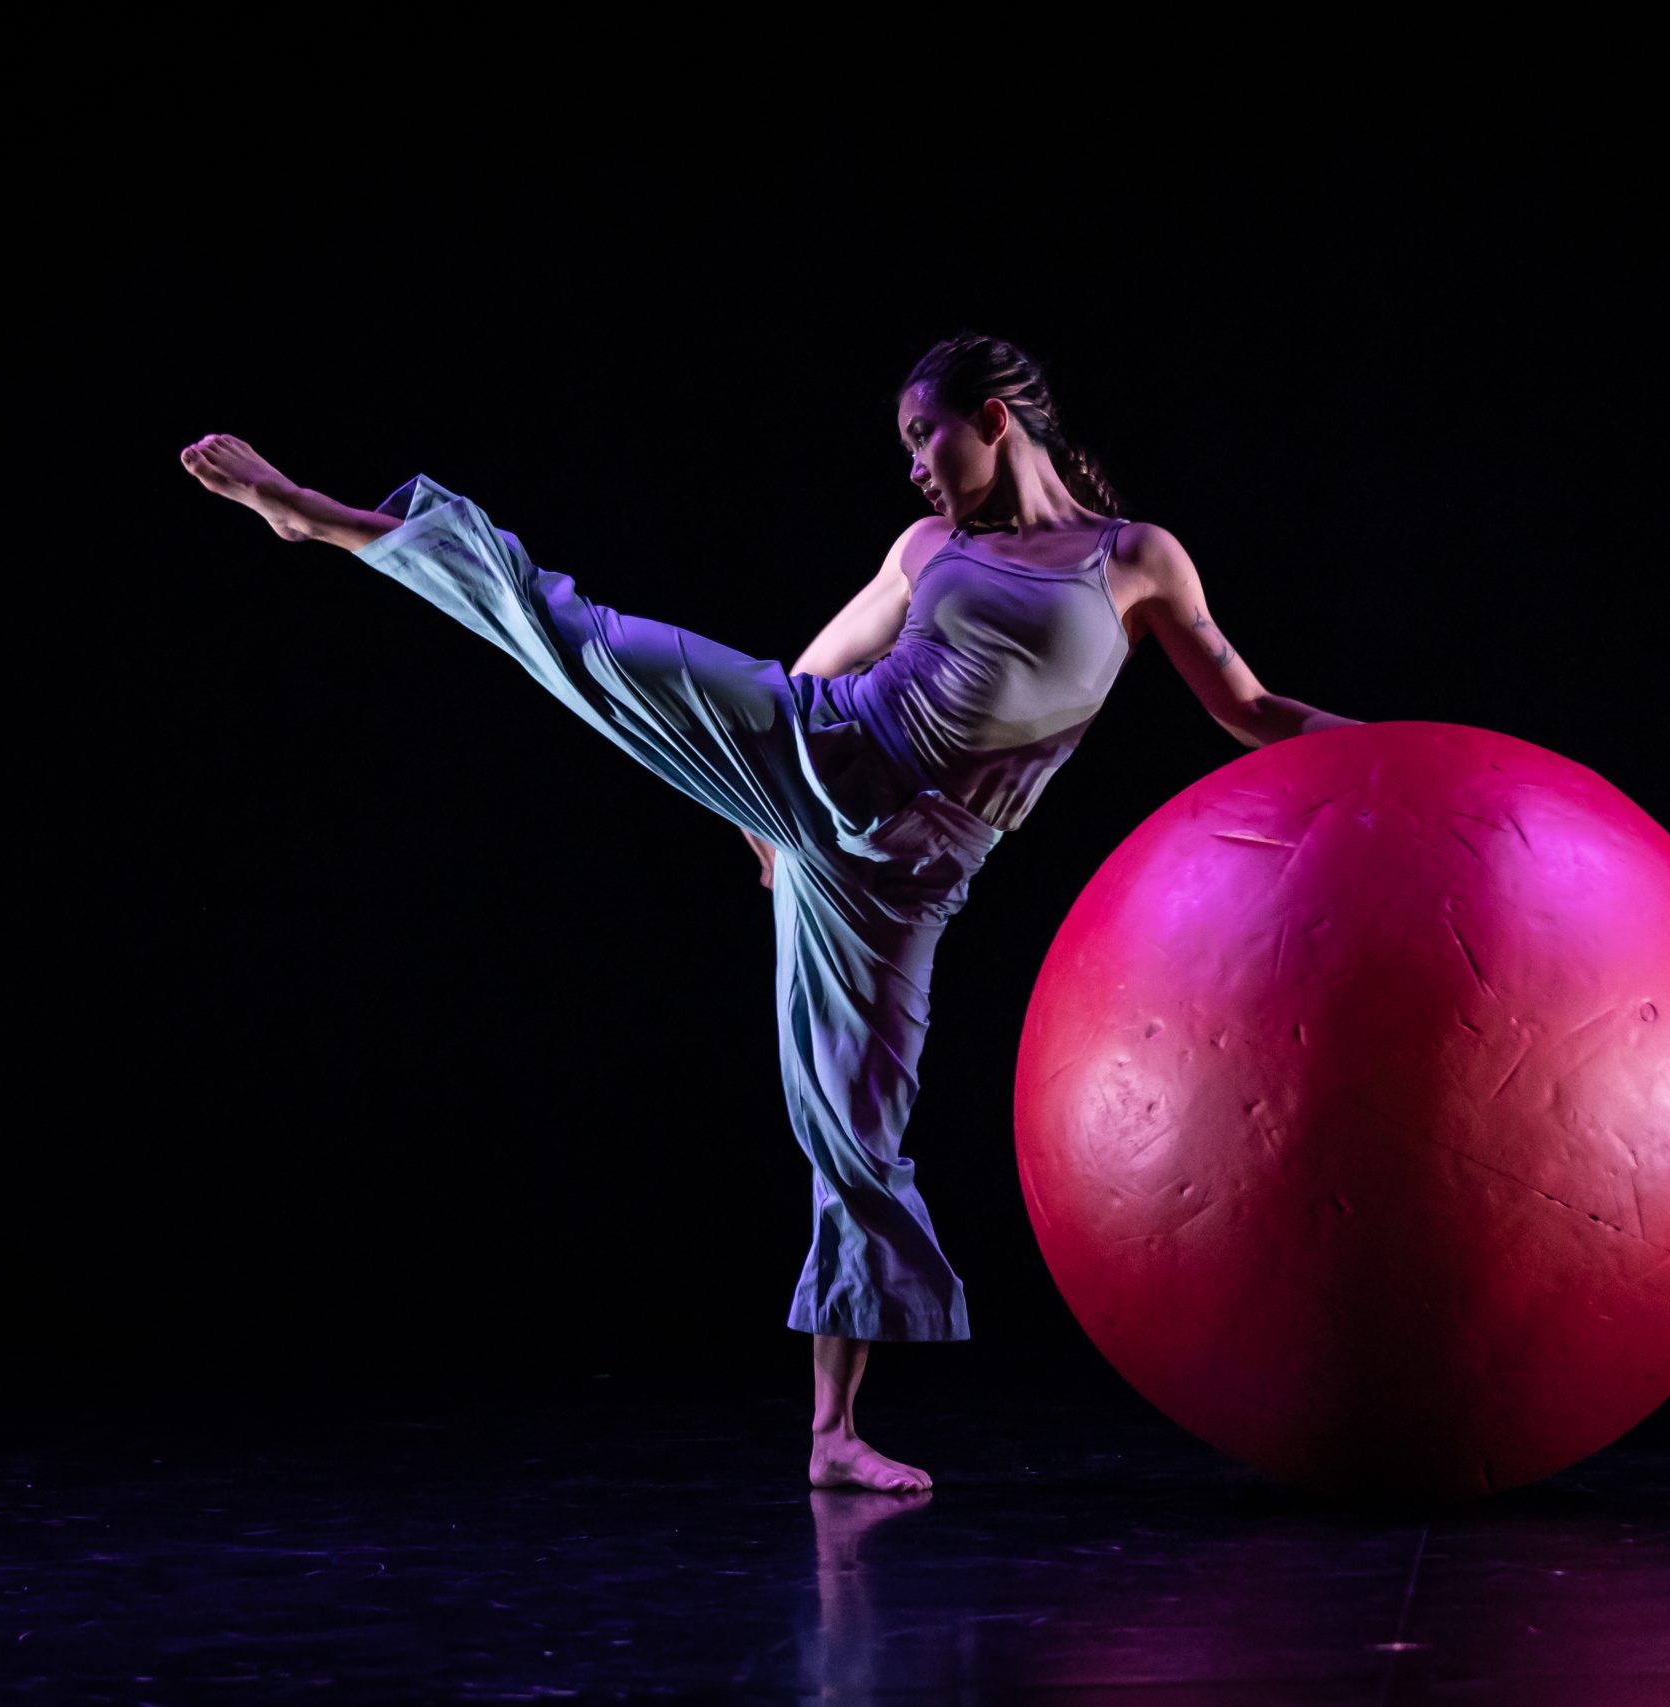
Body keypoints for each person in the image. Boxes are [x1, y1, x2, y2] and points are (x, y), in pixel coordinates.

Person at [180, 335, 1356, 1492]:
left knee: (856, 1128)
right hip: (820, 753)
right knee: (578, 637)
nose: (913, 465)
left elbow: (1247, 707)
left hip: (906, 876)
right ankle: (321, 517)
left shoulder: (1134, 557)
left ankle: (833, 1436)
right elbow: (817, 664)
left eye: (924, 435)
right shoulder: (928, 547)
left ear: (994, 420)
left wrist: (1391, 746)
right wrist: (763, 811)